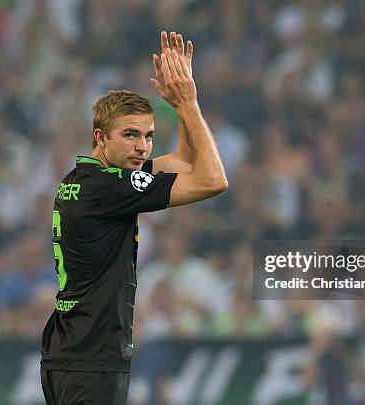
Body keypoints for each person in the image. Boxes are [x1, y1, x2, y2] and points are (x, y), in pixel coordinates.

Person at [40, 31, 227, 405]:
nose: (142, 147)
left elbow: (186, 160)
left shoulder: (84, 180)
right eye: (129, 135)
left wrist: (179, 105)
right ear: (100, 137)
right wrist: (189, 104)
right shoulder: (112, 190)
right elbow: (212, 179)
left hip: (68, 352)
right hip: (93, 359)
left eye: (148, 136)